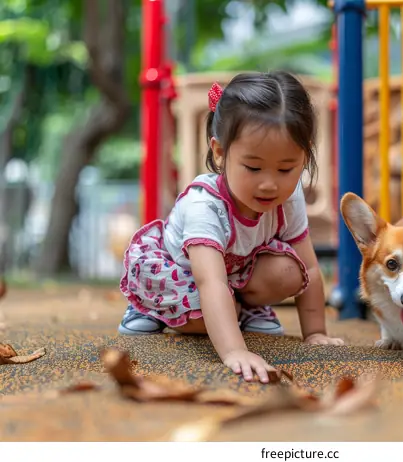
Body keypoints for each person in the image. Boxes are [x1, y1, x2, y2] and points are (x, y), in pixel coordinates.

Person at [117, 71, 344, 383]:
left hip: (235, 273)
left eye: (286, 168)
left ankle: (243, 308)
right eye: (253, 167)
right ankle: (149, 309)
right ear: (220, 152)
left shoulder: (288, 196)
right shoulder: (205, 206)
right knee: (204, 312)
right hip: (181, 274)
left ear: (303, 158)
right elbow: (210, 283)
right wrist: (235, 350)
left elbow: (311, 270)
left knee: (293, 271)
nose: (269, 183)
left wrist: (316, 333)